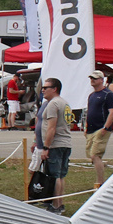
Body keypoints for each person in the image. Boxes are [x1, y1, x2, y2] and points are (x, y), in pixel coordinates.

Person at [35, 77, 73, 214]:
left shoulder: (53, 104)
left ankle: (56, 206)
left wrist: (46, 147)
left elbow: (51, 128)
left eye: (46, 88)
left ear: (55, 89)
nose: (43, 90)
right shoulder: (64, 103)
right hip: (66, 143)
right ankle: (59, 203)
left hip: (56, 145)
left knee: (54, 176)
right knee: (61, 176)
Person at [83, 69, 113, 188]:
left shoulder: (108, 94)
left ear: (101, 80)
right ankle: (100, 171)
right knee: (91, 155)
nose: (92, 81)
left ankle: (100, 182)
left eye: (95, 78)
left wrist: (106, 127)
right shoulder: (92, 95)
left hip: (101, 128)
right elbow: (89, 111)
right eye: (91, 78)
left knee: (95, 155)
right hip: (91, 128)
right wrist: (85, 126)